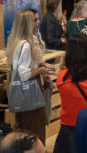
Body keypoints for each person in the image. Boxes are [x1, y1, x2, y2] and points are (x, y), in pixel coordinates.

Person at [6, 9, 54, 143]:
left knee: (22, 129)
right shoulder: (26, 45)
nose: (39, 22)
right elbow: (24, 74)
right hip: (31, 91)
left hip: (20, 92)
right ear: (27, 23)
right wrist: (41, 70)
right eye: (35, 20)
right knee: (34, 131)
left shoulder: (15, 42)